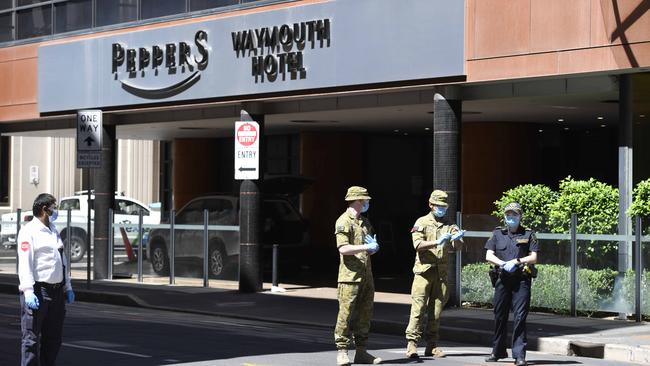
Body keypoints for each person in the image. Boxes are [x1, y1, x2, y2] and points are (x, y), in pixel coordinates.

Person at [405, 190, 465, 358]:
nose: (442, 209)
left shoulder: (449, 223)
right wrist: (437, 242)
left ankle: (432, 345)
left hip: (441, 274)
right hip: (423, 273)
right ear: (431, 205)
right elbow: (417, 244)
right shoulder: (421, 222)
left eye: (444, 206)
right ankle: (412, 344)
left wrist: (457, 239)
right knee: (418, 309)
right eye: (438, 206)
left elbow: (458, 247)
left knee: (436, 311)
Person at [18, 193, 75, 366]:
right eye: (54, 207)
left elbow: (62, 260)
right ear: (44, 209)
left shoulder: (53, 230)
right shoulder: (29, 231)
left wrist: (68, 287)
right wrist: (28, 291)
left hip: (57, 292)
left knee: (53, 339)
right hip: (38, 291)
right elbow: (25, 262)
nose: (55, 210)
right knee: (31, 339)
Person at [484, 202, 539, 366]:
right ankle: (498, 351)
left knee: (520, 317)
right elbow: (488, 254)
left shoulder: (529, 234)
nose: (511, 217)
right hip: (502, 279)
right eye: (508, 214)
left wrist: (517, 261)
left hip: (521, 280)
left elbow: (534, 257)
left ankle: (519, 355)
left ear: (520, 216)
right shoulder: (497, 233)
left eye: (514, 214)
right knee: (499, 315)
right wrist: (502, 263)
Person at [334, 186, 382, 365]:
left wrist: (373, 249)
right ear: (357, 201)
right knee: (346, 314)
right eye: (365, 201)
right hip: (349, 277)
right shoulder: (343, 221)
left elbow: (367, 250)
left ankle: (361, 351)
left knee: (365, 314)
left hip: (366, 276)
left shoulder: (365, 222)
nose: (367, 203)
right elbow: (343, 248)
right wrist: (366, 247)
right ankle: (342, 351)